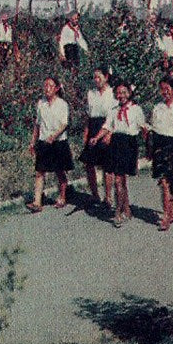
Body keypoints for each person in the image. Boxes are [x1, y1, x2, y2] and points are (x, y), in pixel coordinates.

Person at [100, 82, 145, 227]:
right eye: (118, 93)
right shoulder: (113, 110)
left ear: (130, 93)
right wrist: (97, 137)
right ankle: (123, 209)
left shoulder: (136, 109)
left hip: (129, 144)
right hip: (116, 143)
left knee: (121, 179)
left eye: (124, 92)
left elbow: (143, 126)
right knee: (119, 179)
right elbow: (108, 126)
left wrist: (150, 143)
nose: (121, 96)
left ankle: (119, 212)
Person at [27, 77, 72, 212]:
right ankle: (37, 202)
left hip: (58, 142)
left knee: (59, 171)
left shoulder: (62, 104)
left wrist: (54, 136)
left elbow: (64, 124)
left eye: (50, 86)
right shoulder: (41, 103)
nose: (47, 88)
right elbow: (38, 124)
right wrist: (33, 142)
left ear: (57, 88)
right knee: (40, 171)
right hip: (44, 141)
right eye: (45, 85)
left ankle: (63, 197)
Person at [148, 77, 173, 231]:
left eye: (167, 88)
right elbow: (154, 127)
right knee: (163, 181)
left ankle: (172, 211)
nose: (165, 92)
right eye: (162, 89)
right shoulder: (157, 107)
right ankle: (166, 215)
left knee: (170, 179)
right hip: (160, 144)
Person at [81, 68, 118, 208]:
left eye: (99, 77)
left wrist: (109, 133)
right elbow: (88, 116)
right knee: (89, 163)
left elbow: (114, 116)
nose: (96, 80)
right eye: (94, 77)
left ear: (106, 77)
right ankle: (95, 194)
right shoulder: (91, 94)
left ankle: (108, 197)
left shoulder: (112, 94)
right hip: (93, 126)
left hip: (107, 127)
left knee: (106, 165)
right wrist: (86, 133)